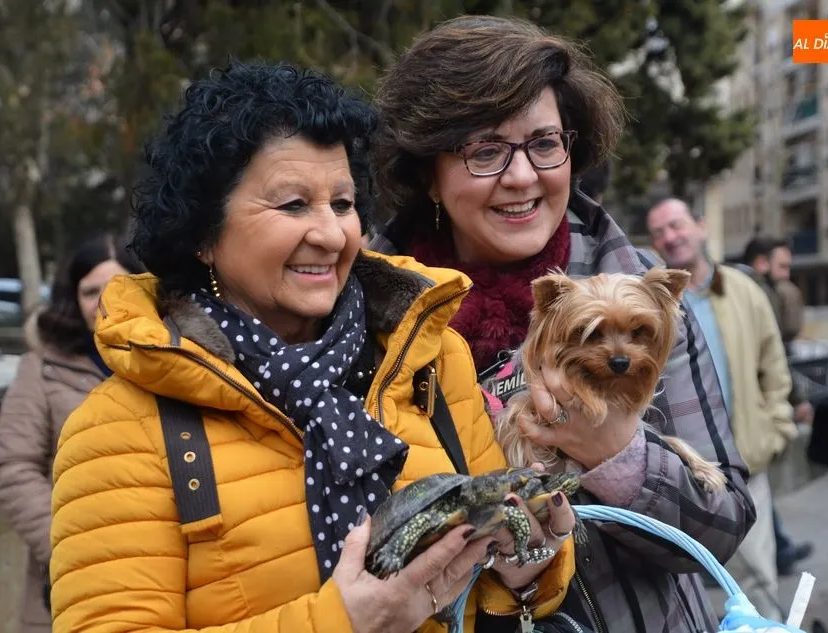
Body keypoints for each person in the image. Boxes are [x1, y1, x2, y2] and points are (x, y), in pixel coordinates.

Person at [48, 61, 578, 633]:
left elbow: (495, 583)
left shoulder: (429, 360)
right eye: (293, 205)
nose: (330, 234)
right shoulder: (121, 429)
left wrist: (530, 561)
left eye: (344, 204)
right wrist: (343, 622)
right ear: (203, 235)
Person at [370, 15, 754, 633]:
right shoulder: (368, 317)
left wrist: (611, 451)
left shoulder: (640, 289)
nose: (523, 176)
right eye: (485, 150)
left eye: (545, 144)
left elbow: (723, 523)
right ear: (427, 174)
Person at [647, 199, 797, 621]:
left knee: (759, 578)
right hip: (678, 468)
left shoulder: (744, 289)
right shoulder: (654, 297)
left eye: (676, 225)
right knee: (676, 583)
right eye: (658, 232)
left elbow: (775, 365)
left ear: (701, 226)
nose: (669, 237)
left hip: (745, 462)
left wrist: (776, 430)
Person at [0, 232, 143, 633]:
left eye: (117, 287)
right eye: (90, 291)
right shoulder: (43, 365)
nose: (104, 302)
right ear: (73, 300)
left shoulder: (180, 360)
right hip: (71, 578)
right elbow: (15, 467)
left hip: (165, 565)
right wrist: (68, 548)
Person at [739, 236, 814, 576]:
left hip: (754, 422)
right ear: (762, 263)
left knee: (758, 497)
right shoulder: (759, 294)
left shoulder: (750, 291)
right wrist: (792, 406)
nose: (787, 274)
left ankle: (779, 549)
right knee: (754, 496)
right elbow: (776, 356)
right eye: (782, 266)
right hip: (751, 422)